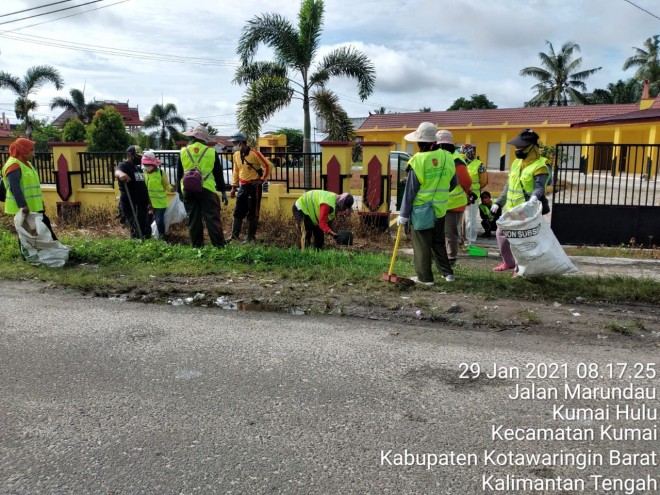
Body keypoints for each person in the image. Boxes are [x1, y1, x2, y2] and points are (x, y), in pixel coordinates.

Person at [398, 122, 458, 285]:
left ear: (420, 142)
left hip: (421, 211)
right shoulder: (447, 157)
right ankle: (448, 274)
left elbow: (410, 191)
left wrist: (403, 214)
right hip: (440, 209)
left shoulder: (417, 160)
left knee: (422, 245)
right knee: (438, 242)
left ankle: (425, 278)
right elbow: (453, 183)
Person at [491, 129, 552, 273]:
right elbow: (509, 185)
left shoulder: (541, 165)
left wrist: (534, 198)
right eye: (517, 147)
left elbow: (540, 187)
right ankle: (509, 262)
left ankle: (520, 269)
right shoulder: (517, 163)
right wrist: (498, 202)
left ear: (532, 147)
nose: (518, 150)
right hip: (511, 209)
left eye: (521, 147)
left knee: (521, 241)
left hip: (526, 210)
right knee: (501, 234)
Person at [176, 125, 229, 248]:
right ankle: (219, 246)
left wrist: (179, 192)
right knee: (211, 217)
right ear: (204, 139)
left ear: (193, 137)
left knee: (193, 219)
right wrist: (223, 192)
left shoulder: (183, 151)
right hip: (207, 189)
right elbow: (218, 174)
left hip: (188, 190)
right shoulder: (211, 152)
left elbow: (179, 174)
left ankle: (197, 246)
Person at [2, 137, 59, 242]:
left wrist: (40, 203)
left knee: (42, 229)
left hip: (34, 206)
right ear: (23, 151)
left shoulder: (28, 165)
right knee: (25, 234)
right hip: (23, 209)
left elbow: (34, 188)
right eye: (32, 150)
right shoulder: (13, 165)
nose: (34, 153)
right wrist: (23, 205)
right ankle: (32, 255)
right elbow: (15, 188)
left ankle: (53, 250)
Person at [435, 130, 471, 265]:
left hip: (453, 203)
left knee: (450, 233)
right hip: (442, 202)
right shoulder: (444, 157)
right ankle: (442, 256)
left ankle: (451, 258)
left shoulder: (455, 159)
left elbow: (465, 181)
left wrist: (466, 192)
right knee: (443, 233)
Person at [229, 132, 272, 243]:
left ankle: (250, 237)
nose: (233, 145)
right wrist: (233, 187)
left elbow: (268, 165)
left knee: (253, 212)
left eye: (234, 143)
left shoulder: (254, 153)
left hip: (254, 186)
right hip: (242, 186)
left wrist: (262, 179)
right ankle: (234, 236)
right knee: (238, 211)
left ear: (240, 142)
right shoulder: (236, 155)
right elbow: (236, 171)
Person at [115, 145, 151, 240]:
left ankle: (146, 246)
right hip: (131, 203)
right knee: (137, 227)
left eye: (141, 156)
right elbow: (117, 172)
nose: (140, 158)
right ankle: (137, 247)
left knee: (145, 227)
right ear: (130, 155)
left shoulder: (137, 168)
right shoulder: (124, 165)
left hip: (141, 203)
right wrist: (121, 174)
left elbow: (142, 186)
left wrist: (149, 200)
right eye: (138, 156)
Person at [142, 150, 175, 240]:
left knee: (159, 221)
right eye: (145, 165)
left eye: (148, 165)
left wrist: (172, 189)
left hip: (160, 203)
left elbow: (167, 185)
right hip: (148, 203)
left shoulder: (160, 173)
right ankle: (147, 238)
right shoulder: (143, 173)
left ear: (153, 164)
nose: (146, 166)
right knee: (146, 222)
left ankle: (162, 238)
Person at [460, 144, 488, 245]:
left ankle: (470, 240)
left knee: (470, 220)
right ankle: (460, 239)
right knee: (458, 219)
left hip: (472, 197)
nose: (462, 155)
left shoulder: (479, 165)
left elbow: (483, 181)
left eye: (463, 153)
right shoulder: (460, 163)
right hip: (458, 196)